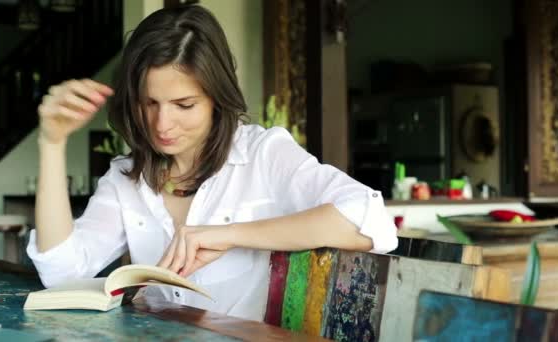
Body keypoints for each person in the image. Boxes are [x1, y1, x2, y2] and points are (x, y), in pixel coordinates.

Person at [27, 5, 398, 321]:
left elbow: (372, 219)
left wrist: (228, 235)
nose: (162, 124)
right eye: (148, 103)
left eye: (183, 105)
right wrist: (52, 143)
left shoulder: (262, 154)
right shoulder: (126, 177)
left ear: (216, 100)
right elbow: (61, 273)